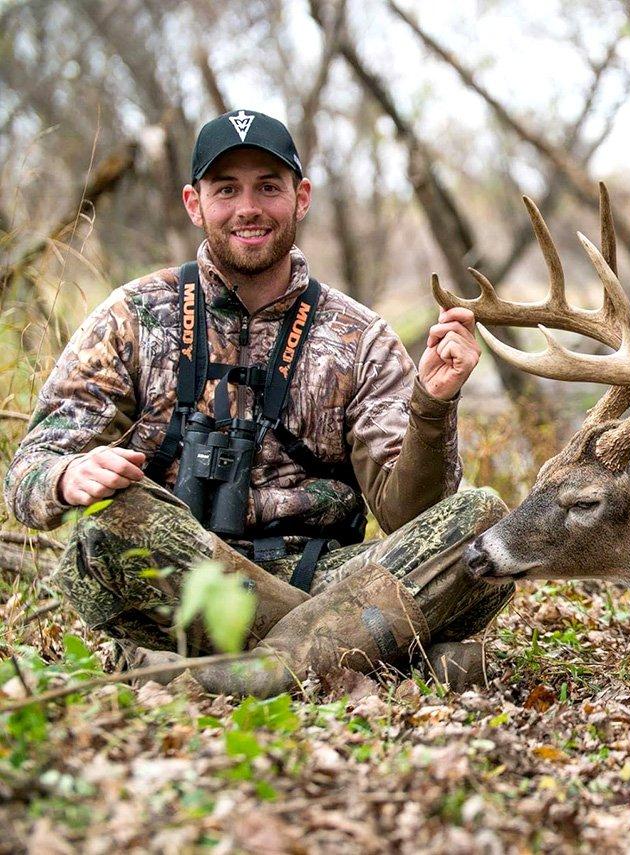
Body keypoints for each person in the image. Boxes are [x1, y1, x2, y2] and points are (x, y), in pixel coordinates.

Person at [4, 109, 512, 694]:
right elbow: (29, 471)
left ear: (301, 198)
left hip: (327, 574)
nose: (249, 207)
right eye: (227, 189)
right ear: (195, 204)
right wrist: (70, 475)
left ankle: (226, 676)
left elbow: (411, 519)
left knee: (483, 522)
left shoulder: (360, 336)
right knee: (111, 521)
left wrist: (431, 406)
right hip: (187, 579)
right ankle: (366, 654)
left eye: (268, 187)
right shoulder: (133, 316)